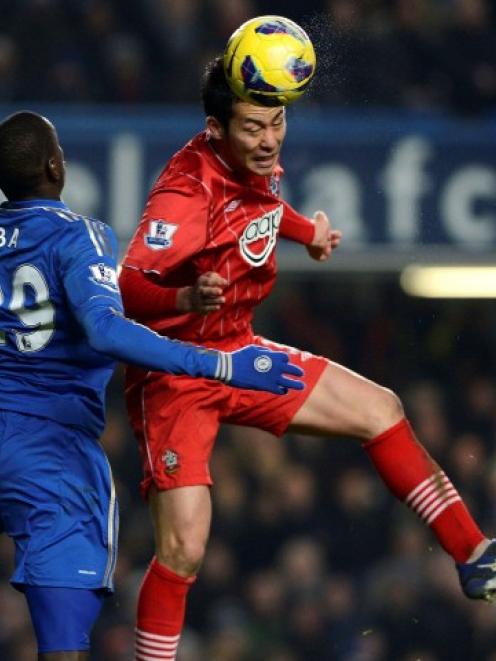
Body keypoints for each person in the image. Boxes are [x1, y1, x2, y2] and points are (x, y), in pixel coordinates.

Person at [119, 56, 496, 661]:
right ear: (216, 128)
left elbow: (260, 211)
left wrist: (307, 234)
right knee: (185, 546)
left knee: (380, 408)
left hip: (240, 349)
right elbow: (128, 283)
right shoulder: (184, 192)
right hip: (178, 371)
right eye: (252, 127)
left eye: (277, 123)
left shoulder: (254, 158)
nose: (268, 140)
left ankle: (475, 554)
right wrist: (183, 296)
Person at [0, 110, 306, 661]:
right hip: (48, 451)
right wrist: (217, 365)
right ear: (54, 165)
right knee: (63, 645)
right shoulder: (77, 235)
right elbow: (106, 329)